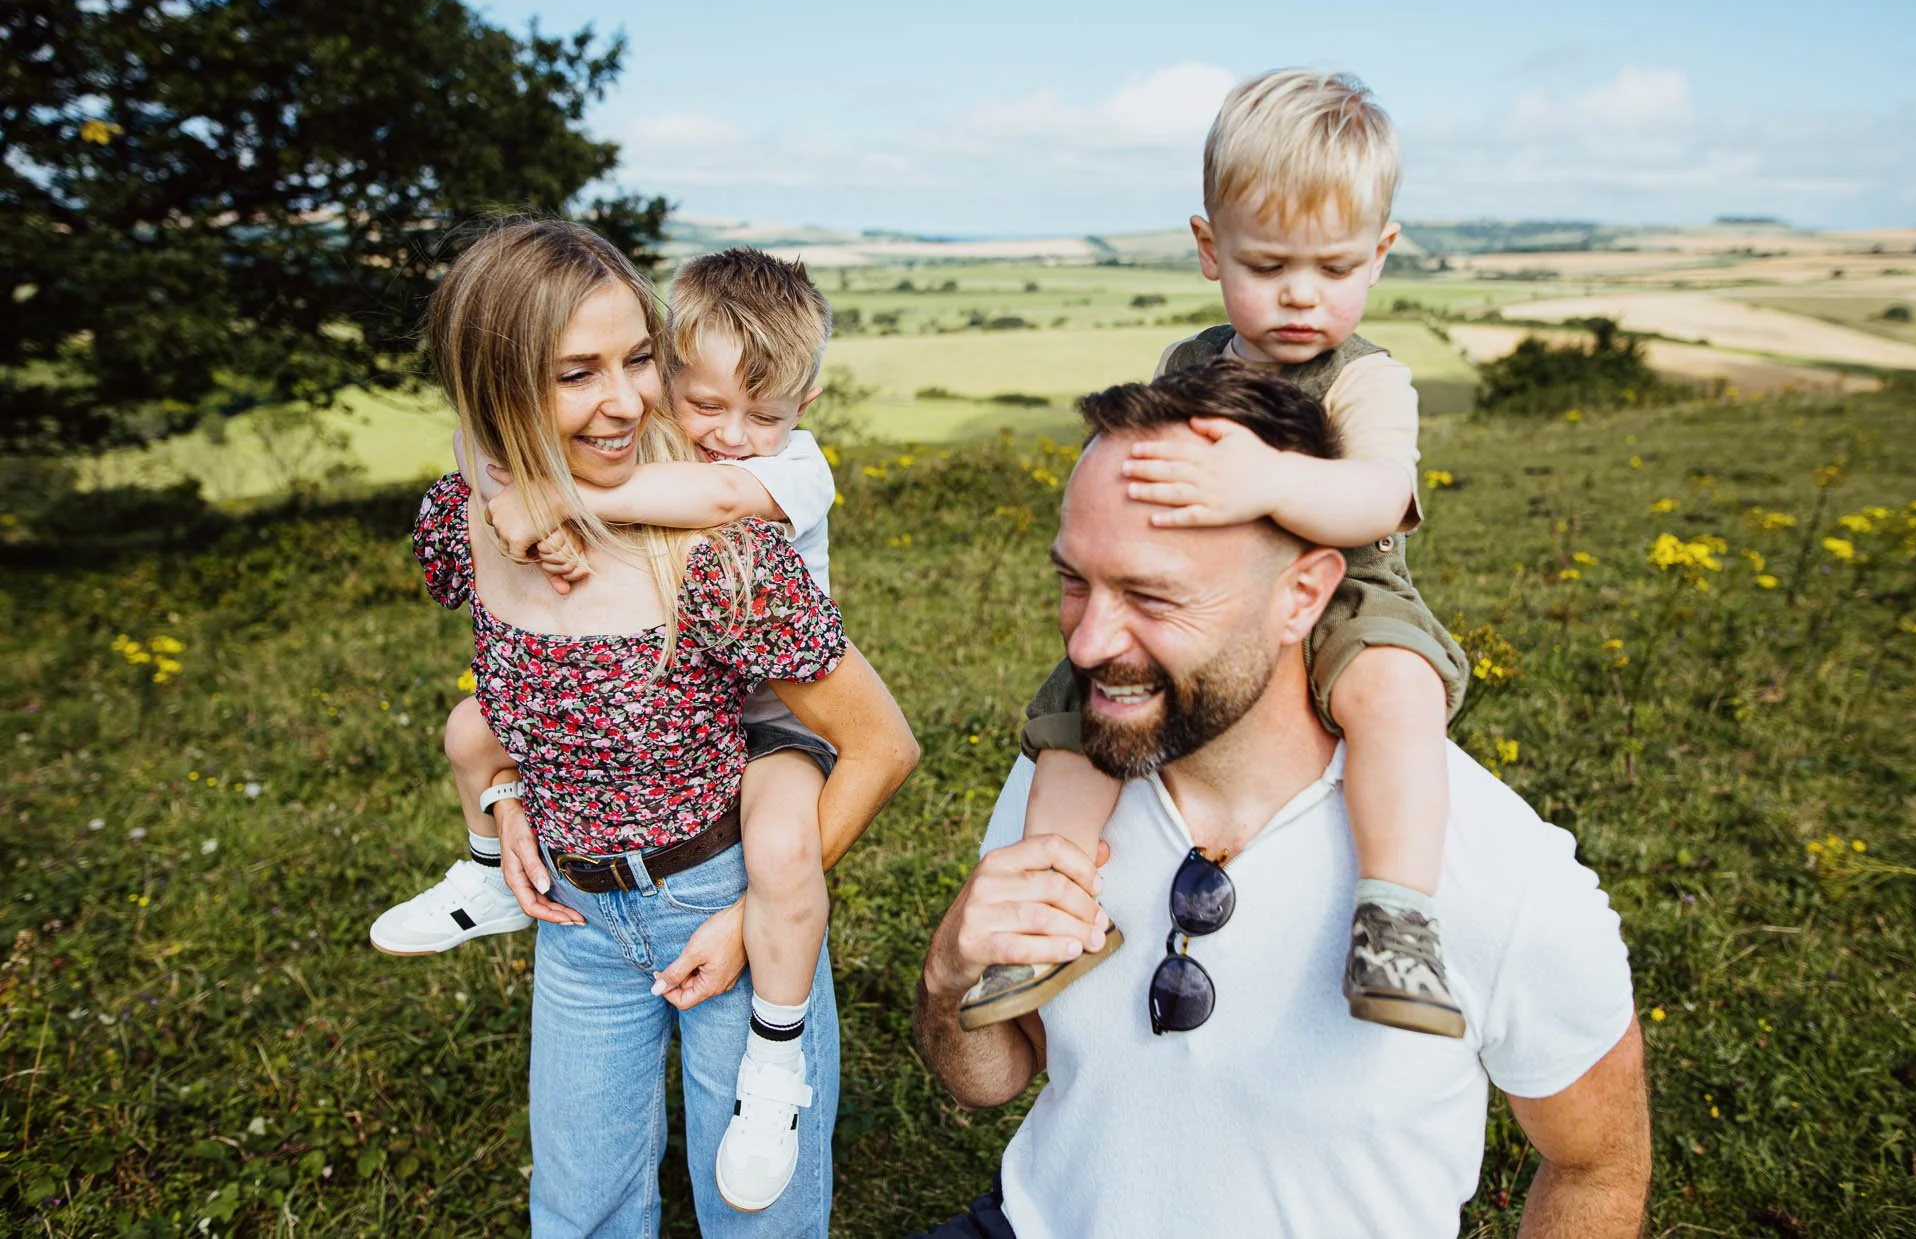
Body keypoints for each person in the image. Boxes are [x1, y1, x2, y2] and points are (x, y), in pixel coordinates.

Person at [915, 364, 1648, 1238]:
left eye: (1151, 594)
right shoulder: (1069, 779)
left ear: (1303, 595)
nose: (1087, 639)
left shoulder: (1497, 867)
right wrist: (946, 978)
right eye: (1075, 581)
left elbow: (1596, 1165)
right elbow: (990, 1076)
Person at [410, 218, 918, 1235]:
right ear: (496, 390)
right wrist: (509, 800)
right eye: (575, 372)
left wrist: (748, 919)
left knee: (755, 1220)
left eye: (638, 358)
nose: (629, 400)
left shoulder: (723, 552)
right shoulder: (468, 518)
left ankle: (776, 1059)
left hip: (725, 889)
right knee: (577, 1208)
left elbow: (881, 745)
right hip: (577, 921)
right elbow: (525, 706)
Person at [960, 68, 1474, 1041]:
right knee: (1087, 701)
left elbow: (1375, 499)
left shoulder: (1366, 380)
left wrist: (1268, 485)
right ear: (1208, 249)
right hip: (1196, 590)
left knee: (1394, 695)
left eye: (1331, 269)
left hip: (1351, 586)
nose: (1298, 296)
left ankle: (1394, 916)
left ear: (1380, 253)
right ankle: (1048, 908)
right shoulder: (1189, 366)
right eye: (1267, 263)